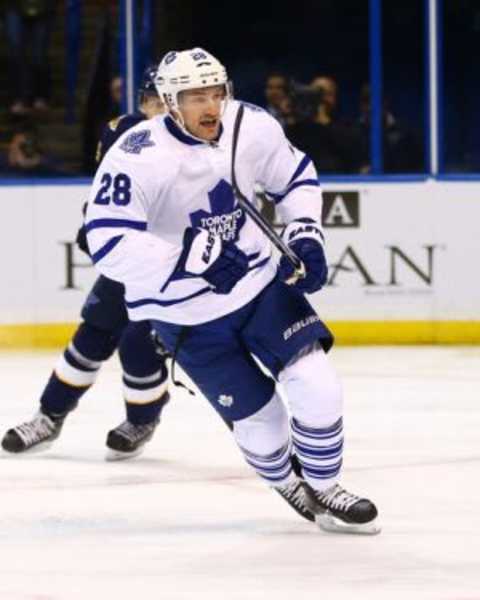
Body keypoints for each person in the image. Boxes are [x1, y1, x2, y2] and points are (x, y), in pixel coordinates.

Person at [84, 47, 380, 534]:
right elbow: (107, 239)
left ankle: (326, 485)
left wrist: (305, 230)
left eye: (217, 92)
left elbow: (295, 176)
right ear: (169, 100)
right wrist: (187, 261)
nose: (211, 106)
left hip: (259, 283)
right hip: (184, 313)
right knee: (263, 426)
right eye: (195, 96)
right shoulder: (137, 154)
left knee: (317, 382)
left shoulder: (251, 125)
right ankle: (287, 480)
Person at [2, 66, 170, 461]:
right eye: (155, 102)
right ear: (144, 103)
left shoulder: (203, 143)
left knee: (138, 343)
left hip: (171, 264)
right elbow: (108, 190)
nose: (161, 111)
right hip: (128, 257)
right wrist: (94, 223)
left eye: (168, 103)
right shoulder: (122, 133)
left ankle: (142, 419)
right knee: (92, 335)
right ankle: (48, 417)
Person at [285, 75, 363, 174]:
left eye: (326, 94)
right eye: (315, 93)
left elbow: (352, 157)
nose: (321, 99)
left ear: (335, 97)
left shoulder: (346, 127)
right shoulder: (297, 128)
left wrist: (324, 121)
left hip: (337, 183)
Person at [2, 0, 56, 115]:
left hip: (43, 7)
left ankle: (40, 96)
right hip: (14, 6)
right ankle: (19, 98)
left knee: (39, 55)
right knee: (16, 53)